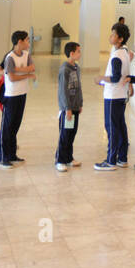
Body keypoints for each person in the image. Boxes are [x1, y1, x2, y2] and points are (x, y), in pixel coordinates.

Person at [94, 22, 132, 171]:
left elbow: (115, 78)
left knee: (111, 127)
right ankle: (122, 158)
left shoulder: (117, 56)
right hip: (121, 95)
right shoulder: (125, 52)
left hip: (113, 96)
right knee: (120, 126)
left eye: (113, 34)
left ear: (120, 39)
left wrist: (101, 79)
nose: (110, 37)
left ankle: (111, 160)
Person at [0, 31, 34, 169]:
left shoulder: (26, 55)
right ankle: (3, 157)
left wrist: (18, 70)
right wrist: (27, 75)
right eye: (27, 40)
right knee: (7, 127)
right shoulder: (9, 57)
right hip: (11, 95)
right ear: (19, 42)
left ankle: (12, 155)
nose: (28, 43)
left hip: (22, 93)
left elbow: (32, 67)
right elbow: (11, 78)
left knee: (15, 125)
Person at [55, 41, 83, 172]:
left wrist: (80, 103)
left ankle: (69, 158)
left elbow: (78, 88)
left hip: (75, 107)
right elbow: (63, 91)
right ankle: (60, 160)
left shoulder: (76, 68)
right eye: (78, 51)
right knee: (65, 134)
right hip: (68, 109)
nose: (80, 54)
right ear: (71, 54)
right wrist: (67, 108)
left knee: (72, 133)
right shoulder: (64, 69)